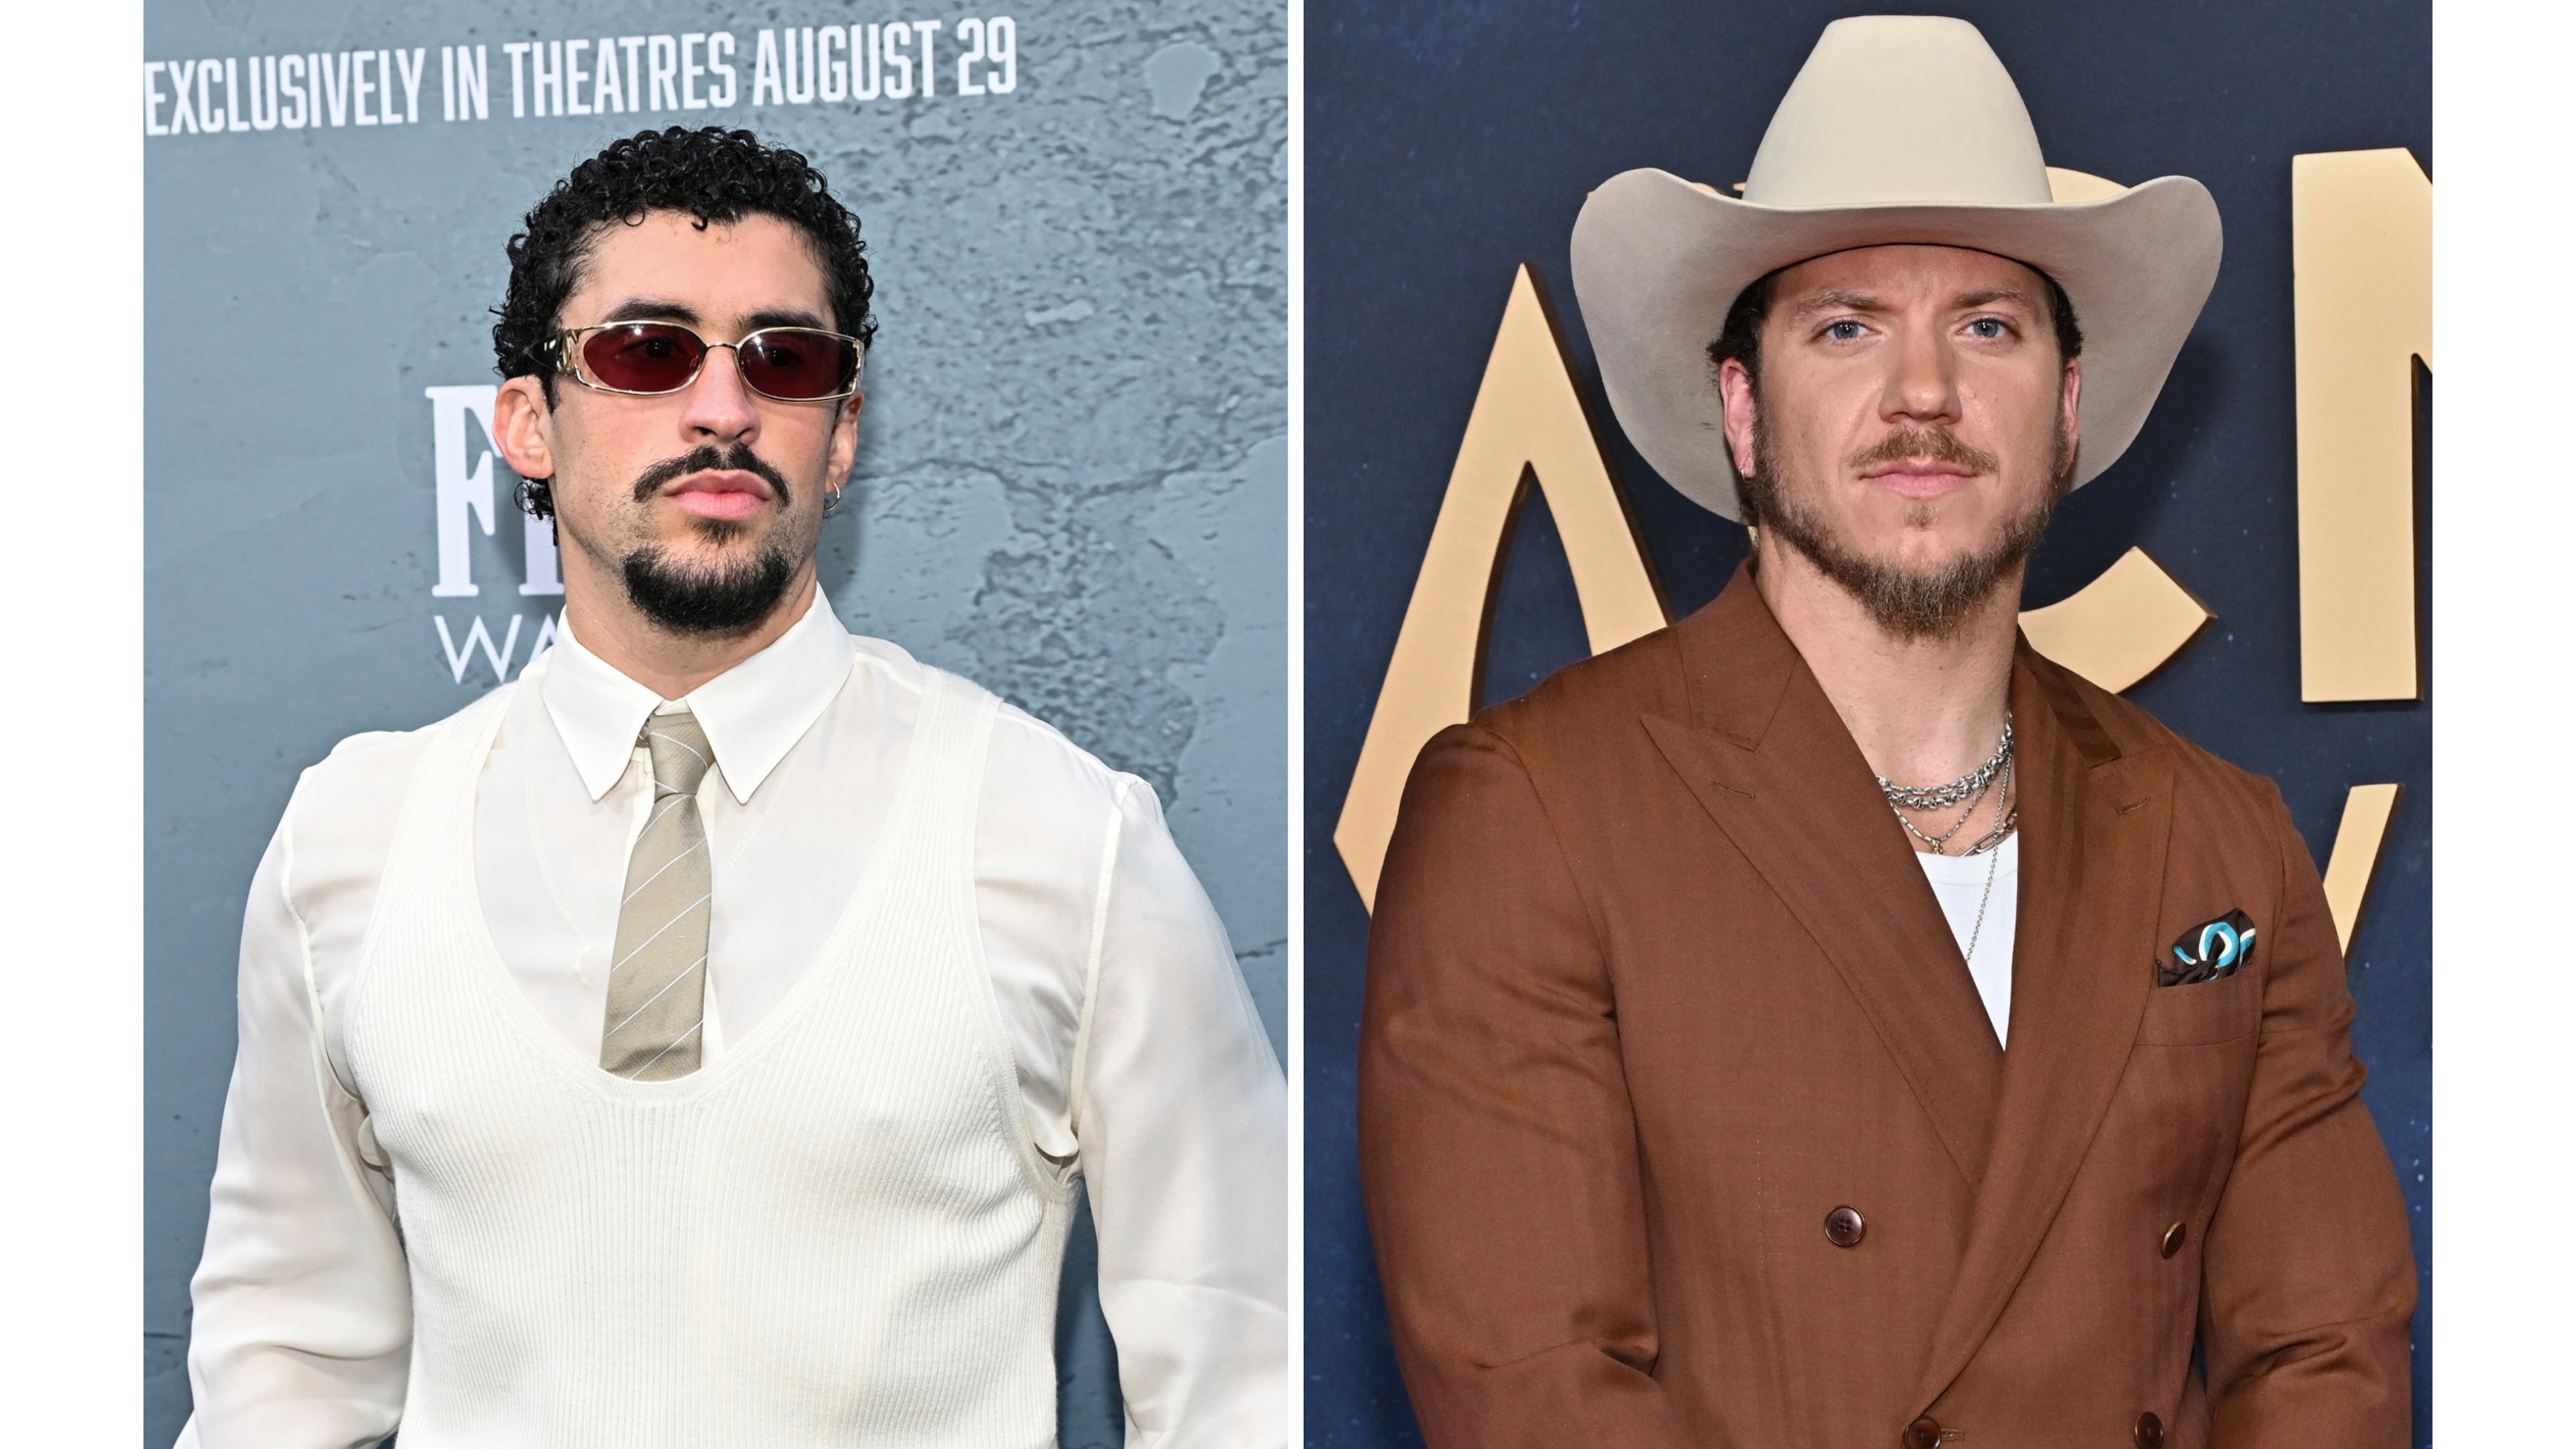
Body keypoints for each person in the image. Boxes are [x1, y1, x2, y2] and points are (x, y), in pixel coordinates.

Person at [1358, 18, 2413, 1449]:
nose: (1925, 392)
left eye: (1987, 324)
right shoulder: (1535, 810)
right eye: (1847, 326)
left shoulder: (2221, 834)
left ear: (2070, 406)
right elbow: (1537, 1388)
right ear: (1742, 407)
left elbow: (2327, 1353)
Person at [178, 125, 1285, 1448]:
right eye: (648, 352)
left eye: (786, 359)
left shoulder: (1063, 840)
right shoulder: (353, 845)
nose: (723, 408)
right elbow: (284, 1370)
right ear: (528, 423)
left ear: (842, 433)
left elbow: (1239, 1373)